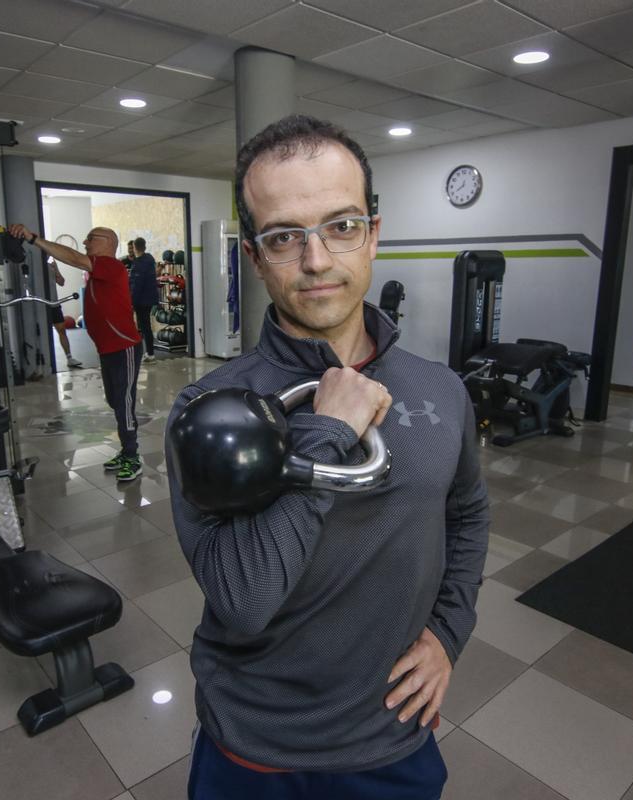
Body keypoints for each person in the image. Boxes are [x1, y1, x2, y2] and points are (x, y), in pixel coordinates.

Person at [165, 115, 490, 799]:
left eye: (341, 227)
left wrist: (449, 631)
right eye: (285, 237)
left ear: (373, 232)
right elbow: (244, 601)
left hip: (391, 738)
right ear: (255, 256)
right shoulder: (210, 409)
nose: (316, 261)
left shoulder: (441, 389)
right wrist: (325, 429)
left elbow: (467, 515)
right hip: (256, 746)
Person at [7, 224, 145, 481]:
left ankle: (132, 456)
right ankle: (126, 451)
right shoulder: (99, 269)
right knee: (115, 401)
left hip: (124, 347)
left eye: (90, 238)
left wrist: (34, 239)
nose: (85, 241)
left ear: (108, 242)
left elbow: (74, 258)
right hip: (107, 349)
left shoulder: (111, 266)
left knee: (124, 403)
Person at [47, 259, 82, 368]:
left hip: (54, 304)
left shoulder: (51, 267)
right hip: (40, 305)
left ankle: (69, 358)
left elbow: (61, 282)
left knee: (62, 330)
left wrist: (56, 269)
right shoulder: (34, 265)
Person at [129, 237, 159, 362]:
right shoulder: (150, 260)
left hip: (141, 299)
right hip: (150, 297)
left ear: (135, 248)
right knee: (145, 326)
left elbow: (137, 285)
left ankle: (149, 354)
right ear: (145, 247)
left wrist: (131, 301)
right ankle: (149, 352)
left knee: (144, 326)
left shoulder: (139, 264)